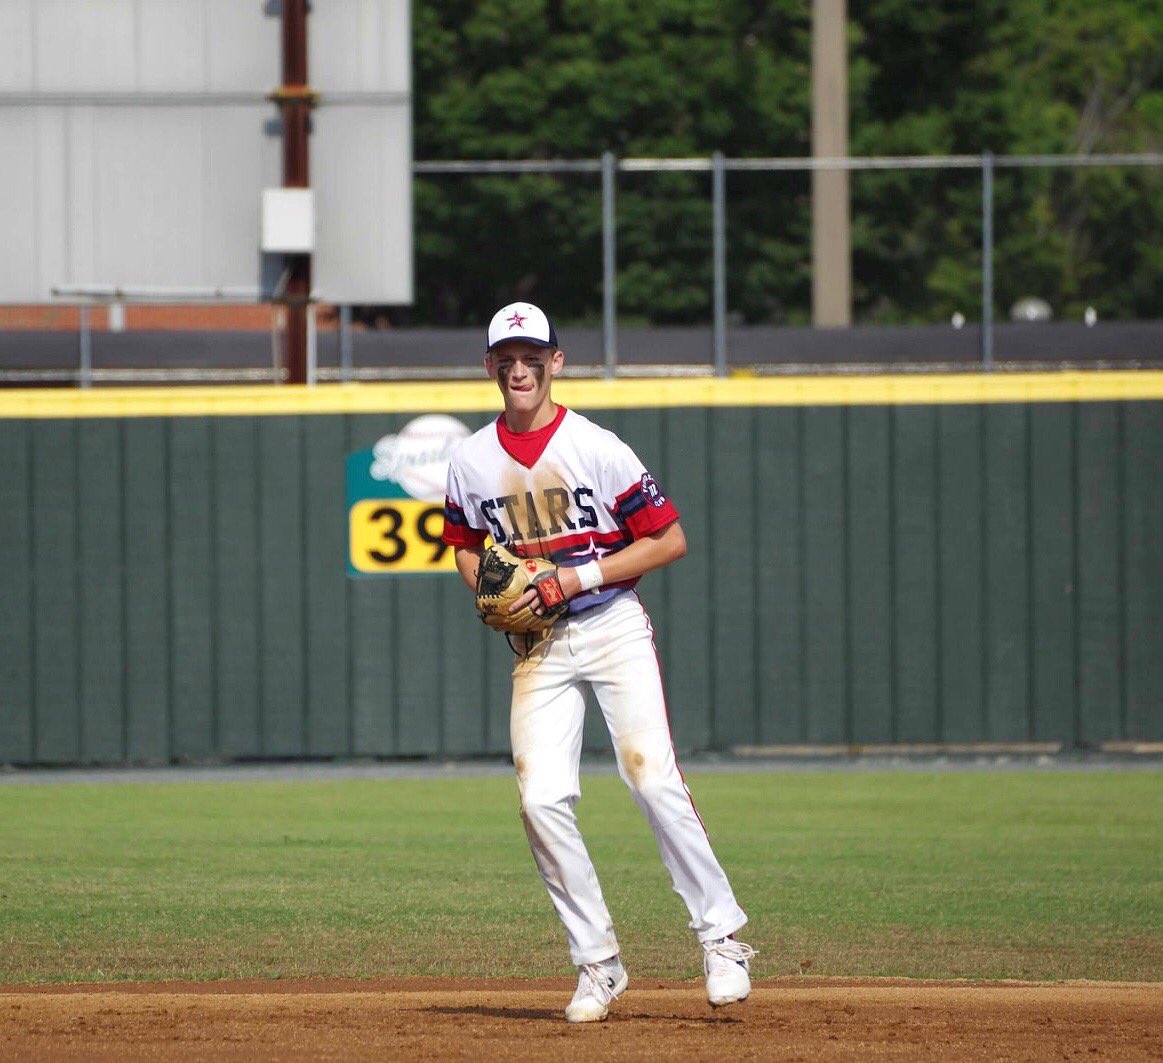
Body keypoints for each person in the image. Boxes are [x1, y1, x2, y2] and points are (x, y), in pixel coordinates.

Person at [441, 302, 753, 1023]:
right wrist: (495, 596)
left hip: (610, 623)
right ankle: (597, 962)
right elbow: (463, 544)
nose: (518, 368)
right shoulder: (470, 459)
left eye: (532, 355)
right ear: (489, 367)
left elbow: (668, 539)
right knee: (540, 798)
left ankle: (722, 938)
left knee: (649, 778)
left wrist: (574, 578)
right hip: (538, 645)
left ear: (557, 360)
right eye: (505, 357)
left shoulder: (596, 445)